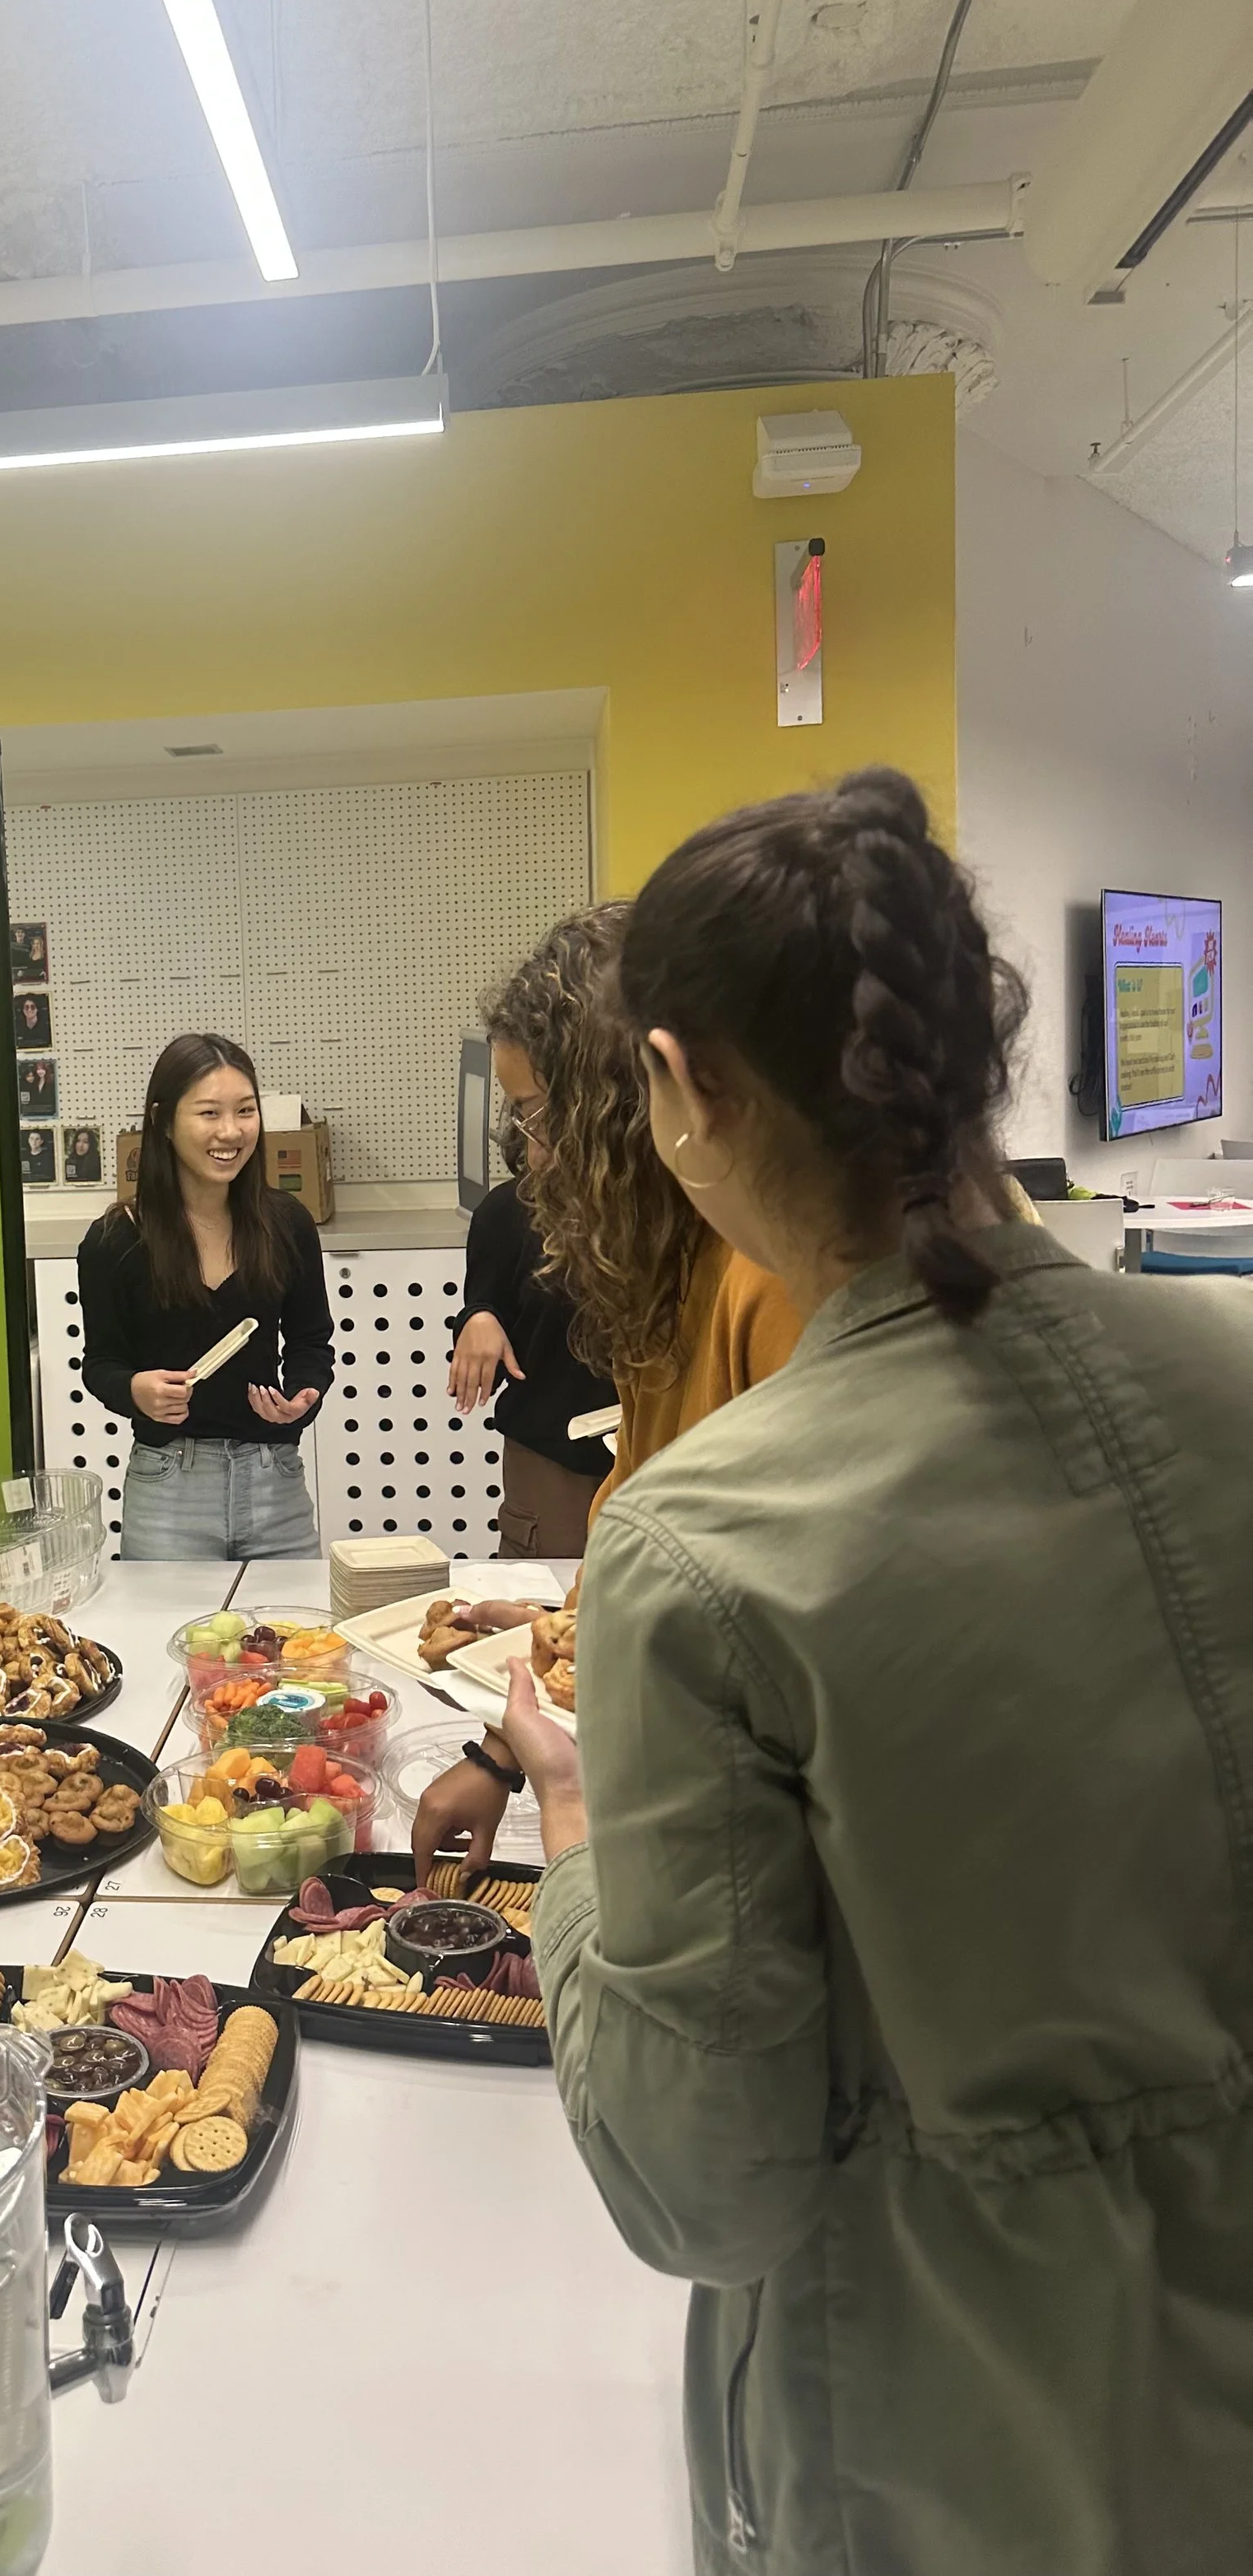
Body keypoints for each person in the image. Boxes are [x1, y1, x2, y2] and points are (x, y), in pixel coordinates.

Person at [505, 767, 1253, 2574]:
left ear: (677, 1087)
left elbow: (703, 2180)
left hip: (939, 2437)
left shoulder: (706, 1548)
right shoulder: (1225, 1378)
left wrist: (575, 1838)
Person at [416, 907, 802, 1869]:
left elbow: (780, 1632)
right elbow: (637, 1522)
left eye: (541, 1117)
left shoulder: (770, 1280)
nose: (533, 1154)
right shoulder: (664, 1273)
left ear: (632, 1100)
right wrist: (511, 1735)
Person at [79, 1032, 333, 1559]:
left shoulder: (286, 1223)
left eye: (246, 1111)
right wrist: (136, 1391)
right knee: (162, 1618)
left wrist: (302, 1397)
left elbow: (311, 1343)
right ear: (163, 1121)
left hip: (276, 1481)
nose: (231, 1131)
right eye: (209, 1113)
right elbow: (102, 1364)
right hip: (168, 1485)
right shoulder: (116, 1241)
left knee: (294, 1617)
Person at [449, 950, 617, 1553]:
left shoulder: (679, 1214)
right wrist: (479, 1318)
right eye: (519, 1113)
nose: (532, 1146)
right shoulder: (509, 1212)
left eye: (532, 1112)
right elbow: (487, 1306)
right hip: (555, 1460)